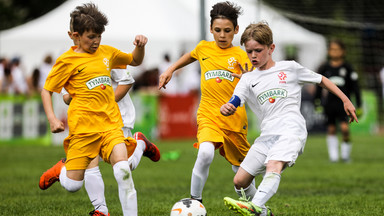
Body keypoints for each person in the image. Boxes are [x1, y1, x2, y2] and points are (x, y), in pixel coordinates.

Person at [221, 22, 358, 216]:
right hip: (267, 134)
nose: (253, 56)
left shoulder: (290, 68)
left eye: (258, 50)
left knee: (273, 165)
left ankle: (255, 206)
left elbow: (322, 80)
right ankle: (262, 211)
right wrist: (227, 107)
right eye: (249, 51)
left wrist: (345, 99)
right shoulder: (247, 78)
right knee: (239, 181)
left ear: (271, 48)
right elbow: (235, 100)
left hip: (291, 130)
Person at [40, 3, 148, 216]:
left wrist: (140, 46)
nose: (96, 41)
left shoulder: (106, 53)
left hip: (110, 126)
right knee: (73, 186)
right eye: (91, 37)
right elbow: (47, 90)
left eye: (99, 36)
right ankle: (62, 169)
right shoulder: (66, 61)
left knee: (123, 170)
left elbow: (135, 60)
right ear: (74, 36)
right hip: (83, 131)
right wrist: (52, 119)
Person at [159, 1, 254, 203]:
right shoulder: (203, 48)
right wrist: (170, 70)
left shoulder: (241, 55)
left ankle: (258, 206)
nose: (222, 35)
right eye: (217, 30)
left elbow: (253, 81)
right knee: (205, 153)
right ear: (211, 29)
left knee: (242, 173)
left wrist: (251, 79)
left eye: (227, 30)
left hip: (235, 119)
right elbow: (190, 56)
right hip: (208, 114)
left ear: (236, 30)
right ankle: (195, 201)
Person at [315, 39, 362, 163]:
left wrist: (359, 104)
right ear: (328, 51)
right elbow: (318, 85)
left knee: (345, 129)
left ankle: (345, 155)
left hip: (343, 105)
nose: (334, 52)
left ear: (343, 51)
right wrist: (317, 101)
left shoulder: (348, 68)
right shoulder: (324, 67)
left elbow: (355, 87)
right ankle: (334, 156)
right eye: (332, 49)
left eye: (337, 49)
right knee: (331, 129)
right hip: (329, 104)